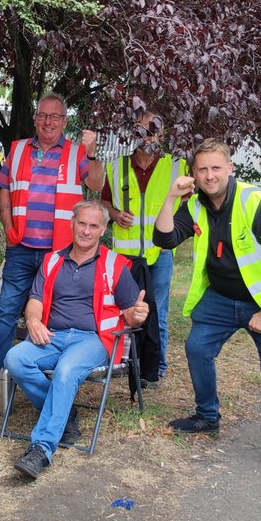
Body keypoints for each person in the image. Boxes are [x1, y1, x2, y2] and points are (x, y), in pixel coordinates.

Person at [153, 138, 261, 484]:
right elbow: (163, 240)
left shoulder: (258, 203)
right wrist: (172, 197)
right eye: (202, 169)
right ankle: (207, 416)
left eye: (216, 167)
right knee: (196, 347)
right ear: (194, 173)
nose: (209, 176)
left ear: (230, 168)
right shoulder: (194, 205)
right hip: (222, 297)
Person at [0, 93, 104, 390]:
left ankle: (43, 370)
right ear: (35, 118)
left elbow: (97, 183)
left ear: (64, 121)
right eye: (42, 115)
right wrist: (10, 228)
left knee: (53, 313)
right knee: (8, 309)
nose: (48, 122)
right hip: (22, 247)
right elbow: (4, 191)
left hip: (60, 252)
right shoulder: (20, 149)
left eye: (55, 117)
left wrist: (91, 154)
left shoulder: (77, 153)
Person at [5, 201, 149, 479]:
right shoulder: (53, 260)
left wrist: (139, 316)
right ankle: (64, 412)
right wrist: (34, 321)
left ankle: (41, 449)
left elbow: (131, 316)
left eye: (93, 225)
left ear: (103, 229)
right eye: (82, 223)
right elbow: (35, 300)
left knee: (67, 370)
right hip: (54, 335)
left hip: (94, 340)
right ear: (72, 222)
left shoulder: (114, 264)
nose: (86, 230)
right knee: (15, 359)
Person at [101, 111, 186, 386]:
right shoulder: (116, 167)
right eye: (141, 129)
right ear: (132, 132)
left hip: (160, 254)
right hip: (125, 256)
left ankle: (156, 369)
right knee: (124, 311)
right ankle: (124, 363)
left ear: (162, 134)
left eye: (153, 130)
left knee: (157, 312)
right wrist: (114, 214)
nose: (147, 135)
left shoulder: (177, 166)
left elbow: (190, 205)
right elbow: (103, 203)